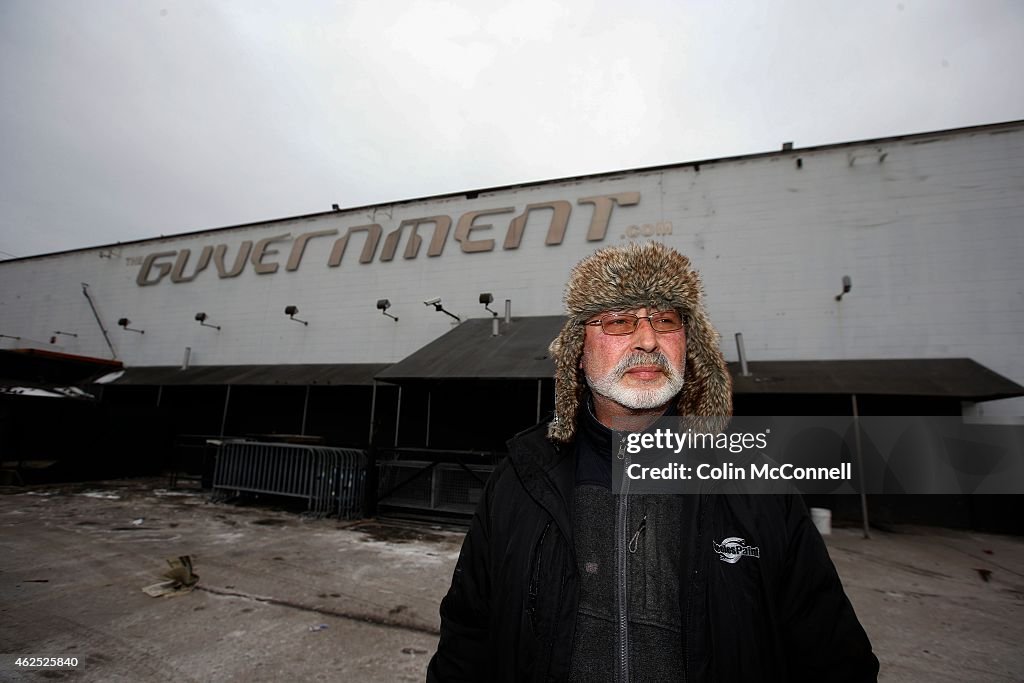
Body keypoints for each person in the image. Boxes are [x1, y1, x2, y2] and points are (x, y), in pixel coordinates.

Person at [427, 242, 879, 682]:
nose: (647, 340)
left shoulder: (756, 485)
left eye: (665, 320)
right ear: (579, 354)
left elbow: (833, 655)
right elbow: (468, 638)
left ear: (689, 345)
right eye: (619, 321)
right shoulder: (521, 478)